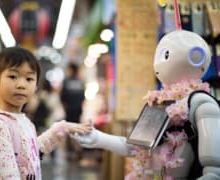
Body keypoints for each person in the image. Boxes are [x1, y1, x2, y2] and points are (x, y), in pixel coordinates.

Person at [73, 29, 220, 179]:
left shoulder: (202, 104)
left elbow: (214, 168)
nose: (157, 63)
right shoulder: (161, 103)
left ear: (196, 57)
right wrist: (99, 138)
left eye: (165, 55)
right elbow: (136, 147)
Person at [0, 46, 92, 179]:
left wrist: (63, 128)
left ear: (35, 86)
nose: (21, 84)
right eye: (13, 76)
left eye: (29, 79)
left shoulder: (24, 122)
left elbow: (32, 152)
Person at [60, 62, 85, 160]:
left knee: (69, 130)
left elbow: (62, 97)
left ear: (71, 70)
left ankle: (70, 151)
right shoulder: (81, 82)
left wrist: (65, 107)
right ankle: (77, 150)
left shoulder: (66, 81)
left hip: (69, 111)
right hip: (78, 110)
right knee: (78, 130)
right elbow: (83, 97)